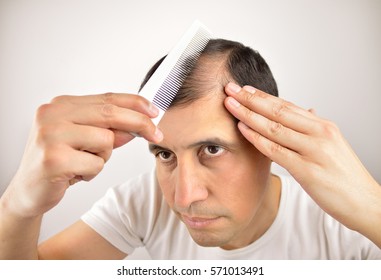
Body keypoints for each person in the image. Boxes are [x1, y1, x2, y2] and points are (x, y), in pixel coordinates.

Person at [0, 39, 380, 259]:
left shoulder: (342, 224)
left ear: (270, 144)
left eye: (211, 149)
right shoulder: (144, 202)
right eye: (164, 154)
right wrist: (17, 207)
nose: (183, 197)